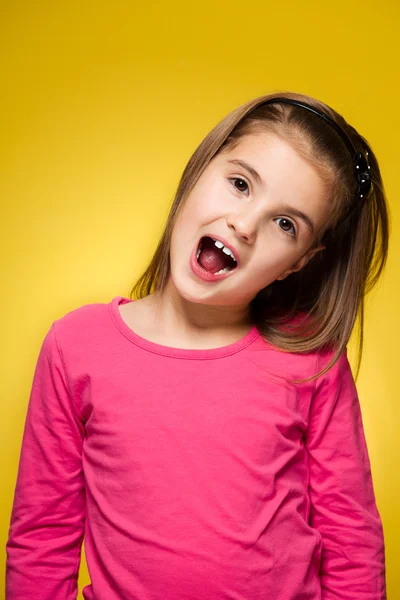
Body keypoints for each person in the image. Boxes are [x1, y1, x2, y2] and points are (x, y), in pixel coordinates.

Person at [5, 91, 388, 599]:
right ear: (201, 167)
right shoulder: (75, 346)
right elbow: (42, 537)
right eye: (239, 184)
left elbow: (351, 540)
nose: (244, 225)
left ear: (300, 261)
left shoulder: (311, 361)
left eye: (285, 224)